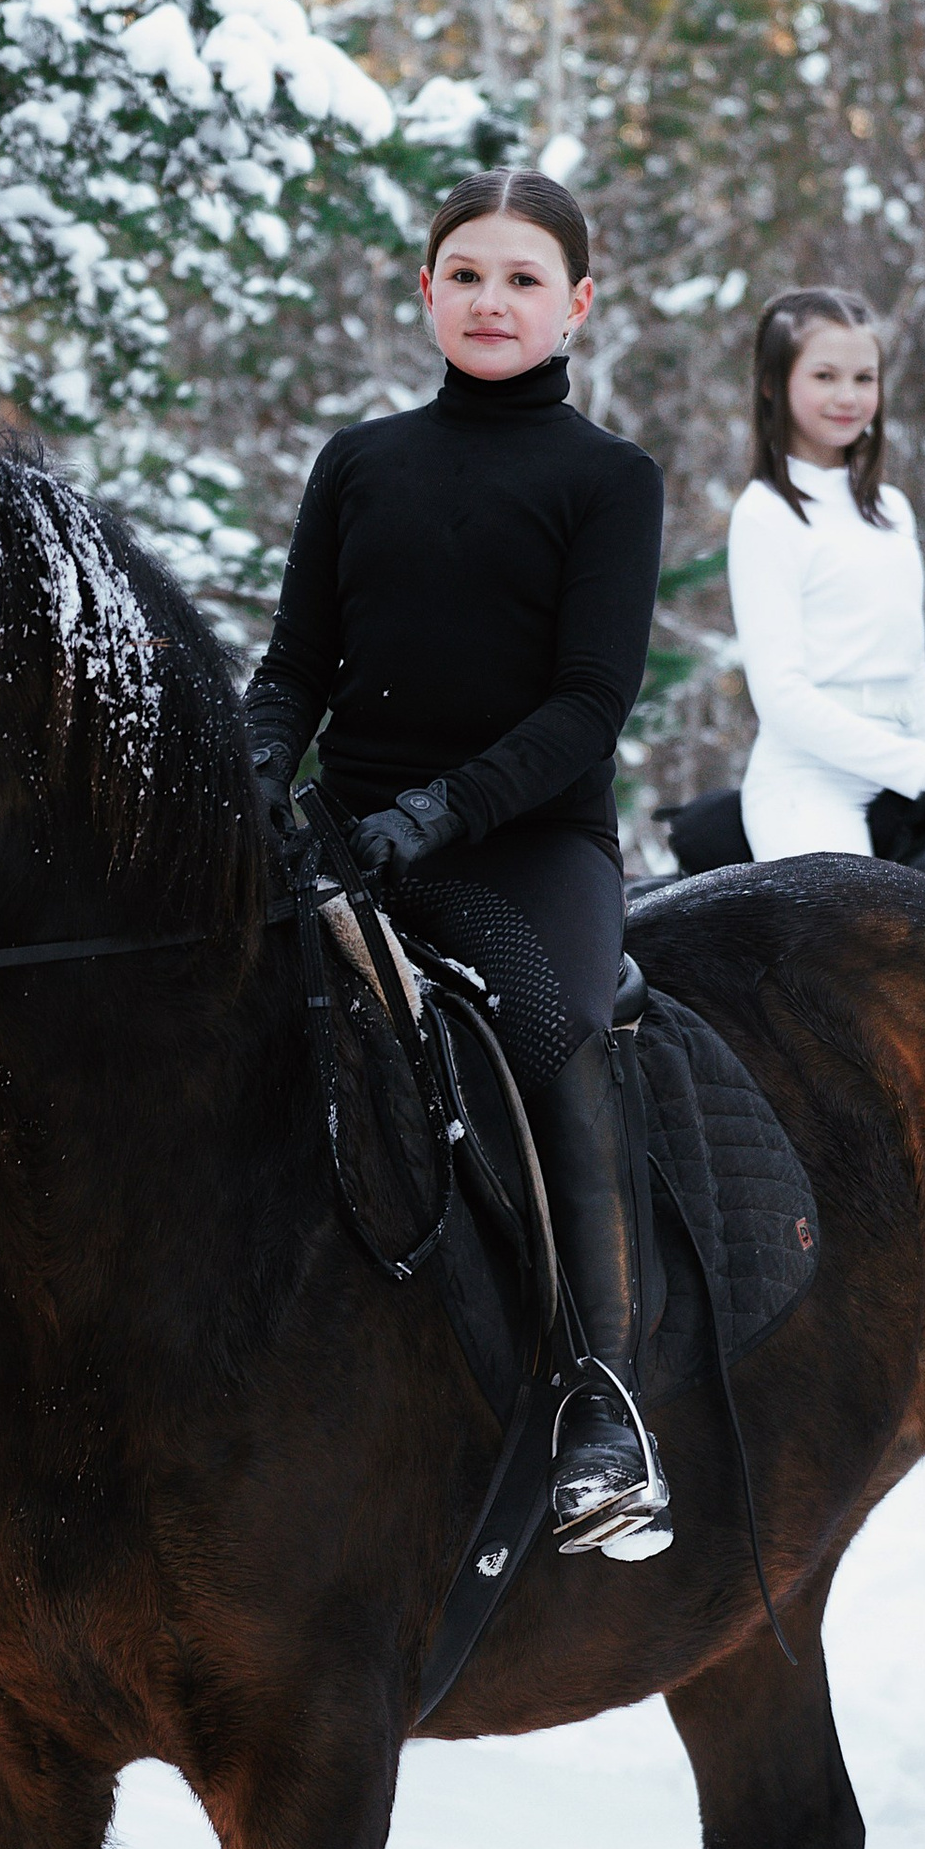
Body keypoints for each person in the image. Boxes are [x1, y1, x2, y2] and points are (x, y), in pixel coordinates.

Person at [243, 170, 673, 1557]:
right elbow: (297, 665)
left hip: (526, 842)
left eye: (525, 279)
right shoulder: (360, 462)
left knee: (562, 1040)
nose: (495, 301)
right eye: (469, 274)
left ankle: (602, 1403)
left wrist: (434, 817)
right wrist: (253, 783)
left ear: (580, 307)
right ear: (426, 290)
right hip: (344, 831)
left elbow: (589, 702)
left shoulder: (608, 481)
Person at [728, 287, 925, 861]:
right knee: (855, 948)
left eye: (864, 378)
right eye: (825, 376)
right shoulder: (765, 515)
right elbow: (781, 697)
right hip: (809, 786)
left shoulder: (890, 509)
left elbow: (911, 671)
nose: (848, 397)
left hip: (905, 765)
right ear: (772, 384)